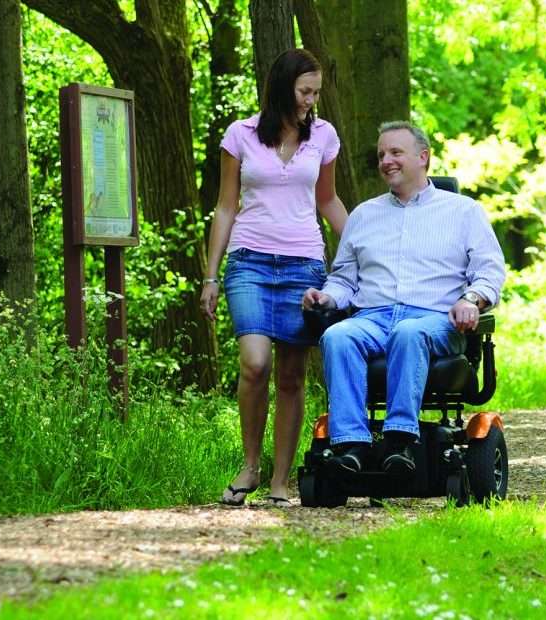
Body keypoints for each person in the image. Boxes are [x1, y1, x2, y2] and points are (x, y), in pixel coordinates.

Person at [302, 121, 506, 474]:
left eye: (396, 152)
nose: (386, 161)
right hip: (373, 317)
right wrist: (327, 297)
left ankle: (401, 442)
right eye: (382, 154)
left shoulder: (463, 211)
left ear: (423, 157)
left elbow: (490, 272)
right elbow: (345, 280)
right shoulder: (364, 215)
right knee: (337, 335)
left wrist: (471, 299)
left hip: (435, 319)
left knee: (408, 332)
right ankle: (351, 447)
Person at [200, 49, 348, 506]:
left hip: (304, 264)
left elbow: (328, 200)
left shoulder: (323, 136)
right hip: (250, 262)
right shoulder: (240, 135)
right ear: (284, 87)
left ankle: (280, 481)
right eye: (305, 91)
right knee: (255, 363)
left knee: (290, 375)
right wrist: (210, 275)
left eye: (316, 92)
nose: (311, 100)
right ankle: (250, 467)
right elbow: (226, 206)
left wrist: (368, 243)